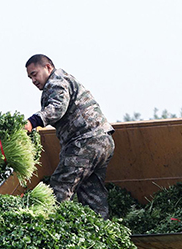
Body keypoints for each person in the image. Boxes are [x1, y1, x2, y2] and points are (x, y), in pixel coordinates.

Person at [23, 54, 115, 219]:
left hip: (85, 142)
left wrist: (32, 122)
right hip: (103, 141)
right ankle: (101, 230)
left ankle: (52, 229)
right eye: (30, 77)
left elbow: (57, 107)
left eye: (34, 74)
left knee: (60, 186)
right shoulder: (64, 80)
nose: (33, 81)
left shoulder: (56, 82)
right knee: (92, 193)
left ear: (48, 67)